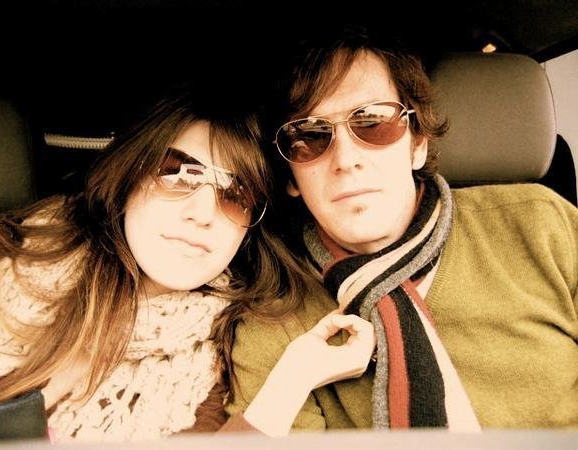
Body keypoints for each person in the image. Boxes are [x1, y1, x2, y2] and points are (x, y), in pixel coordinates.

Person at [226, 26, 578, 431]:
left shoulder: (541, 226)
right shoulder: (274, 318)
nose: (346, 160)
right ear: (290, 175)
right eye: (309, 136)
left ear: (418, 143)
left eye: (373, 121)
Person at [0, 83, 375, 442]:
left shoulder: (224, 362)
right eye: (177, 173)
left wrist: (294, 379)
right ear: (130, 175)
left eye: (236, 193)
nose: (202, 214)